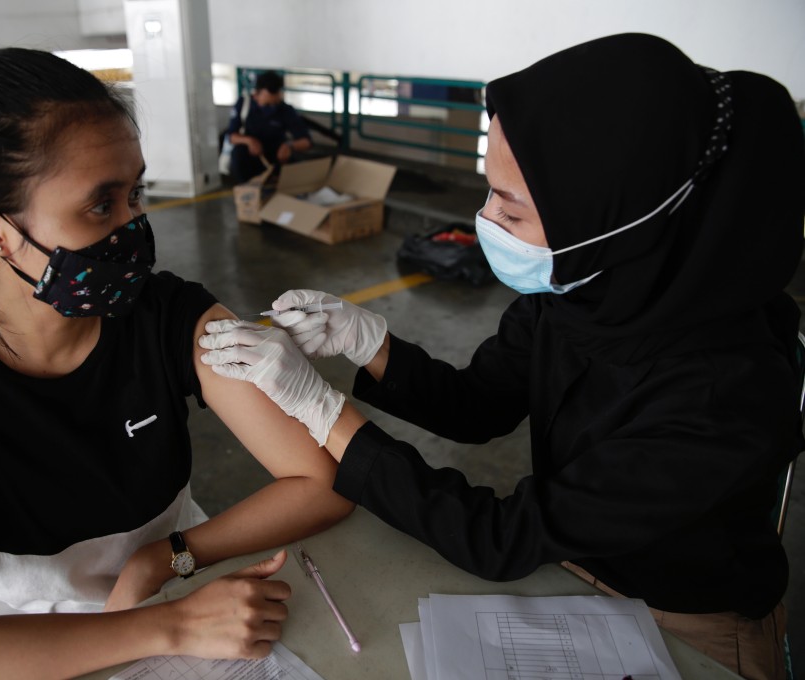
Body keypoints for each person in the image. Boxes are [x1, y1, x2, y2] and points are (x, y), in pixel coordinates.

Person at [200, 33, 805, 680]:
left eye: (510, 209)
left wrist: (321, 411)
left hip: (689, 624)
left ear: (624, 217)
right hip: (576, 569)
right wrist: (368, 344)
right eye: (488, 191)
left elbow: (502, 538)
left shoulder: (727, 391)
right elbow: (477, 404)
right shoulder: (584, 290)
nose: (484, 220)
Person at [0, 49, 351, 678]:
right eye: (100, 205)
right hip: (20, 641)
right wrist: (165, 624)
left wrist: (164, 559)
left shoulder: (167, 315)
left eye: (134, 193)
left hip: (180, 589)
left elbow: (325, 479)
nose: (133, 226)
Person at [225, 70, 312, 182]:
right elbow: (231, 136)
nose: (272, 107)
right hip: (251, 156)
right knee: (238, 154)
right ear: (256, 95)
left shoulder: (285, 110)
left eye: (275, 103)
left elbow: (306, 141)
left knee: (298, 167)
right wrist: (249, 141)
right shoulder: (243, 105)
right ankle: (246, 189)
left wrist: (290, 146)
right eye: (267, 104)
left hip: (276, 156)